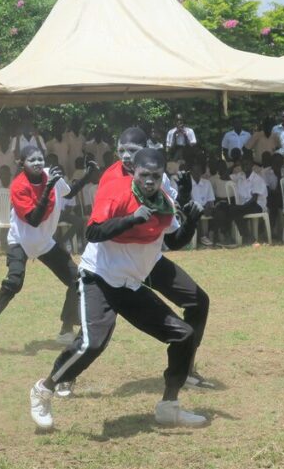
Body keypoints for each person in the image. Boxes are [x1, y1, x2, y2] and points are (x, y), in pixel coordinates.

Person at [28, 148, 207, 430]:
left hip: (130, 285)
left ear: (163, 177)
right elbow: (93, 232)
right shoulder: (117, 193)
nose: (149, 181)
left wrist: (192, 223)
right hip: (99, 278)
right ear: (134, 172)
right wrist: (132, 218)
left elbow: (173, 242)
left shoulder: (164, 203)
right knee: (92, 344)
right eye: (144, 175)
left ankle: (169, 407)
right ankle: (44, 389)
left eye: (156, 176)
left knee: (184, 336)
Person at [95, 127, 213, 389]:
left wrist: (184, 197)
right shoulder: (112, 179)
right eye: (122, 150)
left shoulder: (155, 173)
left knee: (198, 301)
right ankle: (65, 376)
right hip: (119, 262)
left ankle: (186, 367)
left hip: (150, 258)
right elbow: (100, 226)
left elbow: (172, 221)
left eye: (132, 151)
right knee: (98, 327)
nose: (126, 157)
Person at [0, 146, 97, 347]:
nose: (37, 163)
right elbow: (33, 220)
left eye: (40, 159)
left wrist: (88, 175)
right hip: (20, 241)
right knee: (15, 282)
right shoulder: (18, 186)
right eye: (31, 160)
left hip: (44, 243)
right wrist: (49, 187)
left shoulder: (51, 176)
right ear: (22, 163)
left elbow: (68, 194)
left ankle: (66, 327)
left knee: (77, 279)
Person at [212, 157, 268, 245]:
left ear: (252, 165)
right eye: (243, 164)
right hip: (243, 206)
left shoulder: (257, 179)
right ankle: (245, 237)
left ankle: (234, 236)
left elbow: (254, 199)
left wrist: (241, 208)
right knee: (226, 209)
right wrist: (234, 165)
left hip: (256, 205)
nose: (245, 166)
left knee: (234, 210)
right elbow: (223, 176)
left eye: (247, 164)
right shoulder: (240, 176)